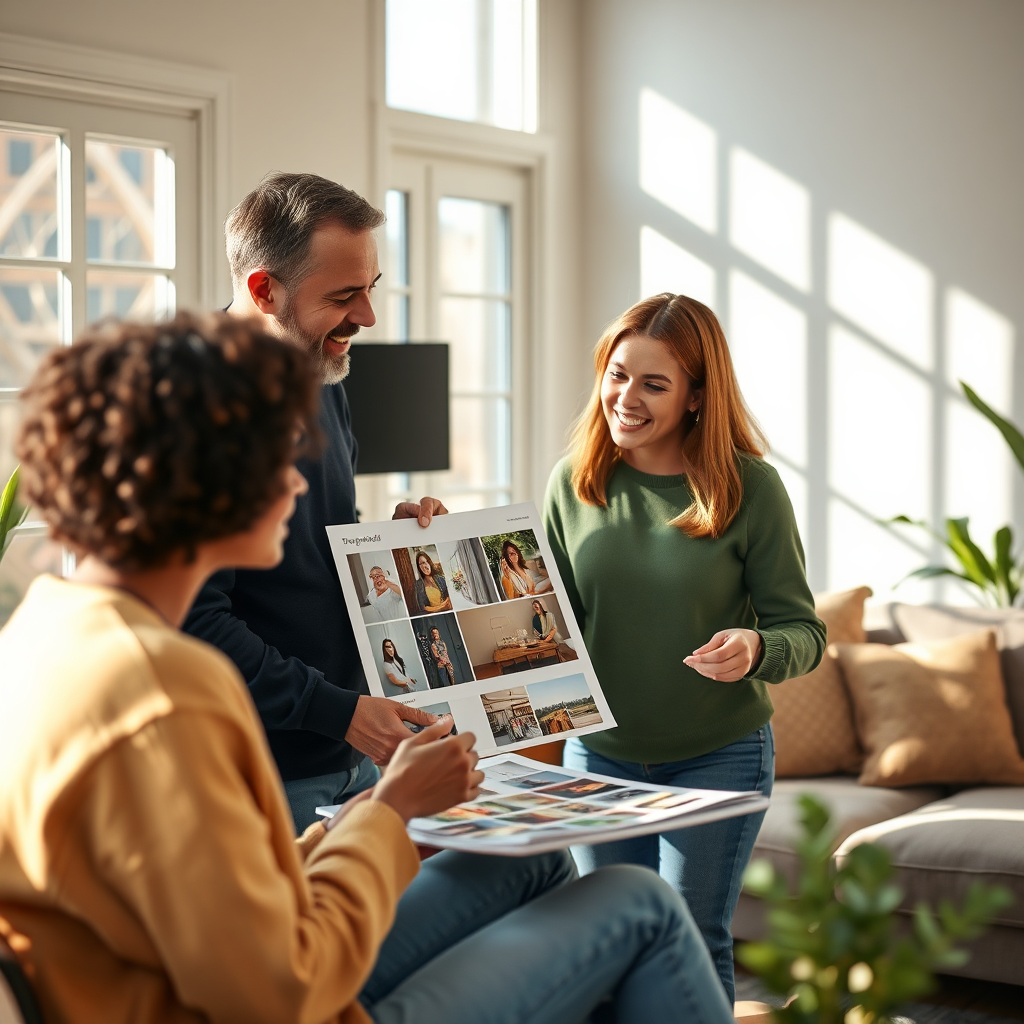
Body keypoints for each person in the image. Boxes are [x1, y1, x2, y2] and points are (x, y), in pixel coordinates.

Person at [0, 312, 737, 1024]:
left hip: (231, 965)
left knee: (527, 862)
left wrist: (354, 824)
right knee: (640, 900)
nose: (297, 486)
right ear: (207, 480)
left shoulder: (41, 631)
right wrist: (388, 814)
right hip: (288, 1003)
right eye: (281, 458)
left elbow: (203, 890)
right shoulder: (167, 700)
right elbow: (279, 989)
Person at [544, 292, 826, 1001]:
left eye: (654, 383)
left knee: (690, 937)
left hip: (717, 756)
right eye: (616, 373)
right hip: (597, 756)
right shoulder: (575, 483)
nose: (625, 397)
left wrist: (757, 648)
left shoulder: (748, 489)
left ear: (698, 396)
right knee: (603, 947)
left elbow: (805, 631)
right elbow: (548, 630)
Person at [183, 173, 449, 832]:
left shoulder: (322, 376)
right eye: (344, 295)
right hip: (258, 776)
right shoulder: (195, 410)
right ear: (263, 289)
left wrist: (388, 547)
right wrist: (340, 712)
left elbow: (316, 548)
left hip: (349, 754)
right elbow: (196, 622)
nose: (367, 317)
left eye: (371, 289)